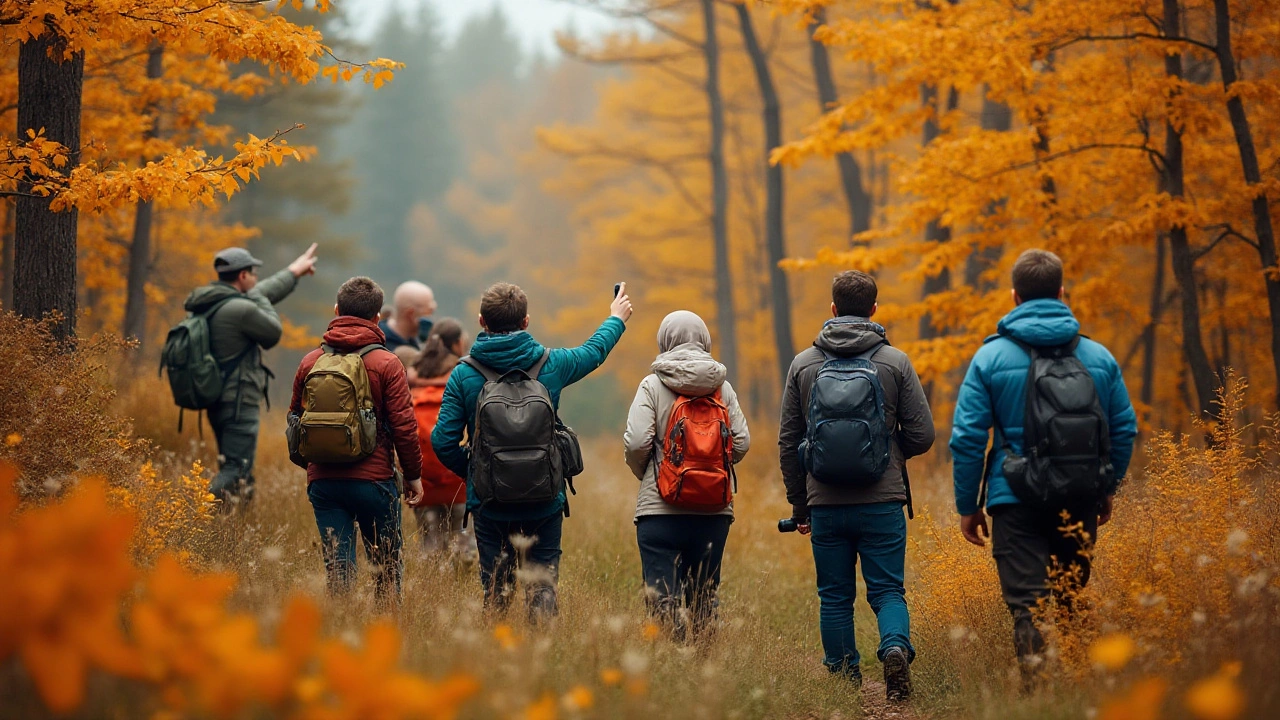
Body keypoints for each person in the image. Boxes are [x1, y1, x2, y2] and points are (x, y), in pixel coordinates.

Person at [950, 249, 1136, 685]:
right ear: (1061, 292)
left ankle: (1038, 696)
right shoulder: (1098, 356)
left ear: (1014, 296)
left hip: (1013, 498)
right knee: (1071, 596)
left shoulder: (990, 358)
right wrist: (1107, 487)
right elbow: (1125, 428)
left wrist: (968, 505)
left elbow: (968, 439)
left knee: (1027, 606)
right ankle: (1078, 694)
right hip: (1079, 494)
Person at [432, 281, 633, 621]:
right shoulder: (552, 365)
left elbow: (443, 441)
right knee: (542, 585)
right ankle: (543, 654)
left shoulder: (464, 374)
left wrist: (477, 471)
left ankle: (501, 658)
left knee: (496, 589)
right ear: (526, 322)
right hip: (544, 497)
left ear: (482, 322)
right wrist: (616, 318)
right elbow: (595, 351)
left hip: (490, 502)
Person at [778, 270, 935, 701]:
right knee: (887, 590)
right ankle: (895, 648)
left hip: (824, 501)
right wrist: (888, 448)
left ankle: (844, 684)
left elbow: (789, 442)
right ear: (873, 310)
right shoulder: (895, 362)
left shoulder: (804, 364)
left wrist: (800, 506)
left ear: (832, 309)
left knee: (834, 595)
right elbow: (923, 435)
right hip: (882, 500)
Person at [289, 276, 424, 604]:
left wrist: (311, 465)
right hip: (374, 480)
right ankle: (385, 637)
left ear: (336, 310)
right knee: (387, 566)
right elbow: (404, 426)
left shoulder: (310, 362)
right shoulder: (387, 363)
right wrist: (413, 476)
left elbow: (294, 419)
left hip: (323, 481)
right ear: (378, 317)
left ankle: (338, 632)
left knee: (338, 567)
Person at [623, 311, 749, 641]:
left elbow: (637, 441)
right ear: (705, 341)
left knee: (662, 599)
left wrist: (649, 473)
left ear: (664, 342)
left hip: (659, 510)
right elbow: (743, 442)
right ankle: (704, 673)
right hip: (713, 511)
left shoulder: (652, 384)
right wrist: (715, 466)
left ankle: (673, 669)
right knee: (705, 598)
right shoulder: (722, 387)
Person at [182, 244, 318, 510]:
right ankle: (190, 512)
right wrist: (258, 298)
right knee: (236, 467)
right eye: (253, 274)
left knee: (233, 464)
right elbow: (272, 331)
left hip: (217, 397)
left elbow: (259, 293)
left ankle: (231, 523)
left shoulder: (214, 303)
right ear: (243, 276)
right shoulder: (241, 308)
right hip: (238, 400)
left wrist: (293, 272)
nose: (256, 279)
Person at [407, 318, 474, 558]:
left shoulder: (413, 371)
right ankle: (461, 589)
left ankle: (432, 589)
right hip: (457, 477)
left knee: (430, 544)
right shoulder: (463, 371)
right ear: (457, 342)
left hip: (421, 477)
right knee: (463, 542)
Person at [380, 281, 437, 353]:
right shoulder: (381, 344)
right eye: (429, 312)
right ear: (410, 314)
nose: (430, 318)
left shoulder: (417, 342)